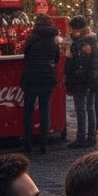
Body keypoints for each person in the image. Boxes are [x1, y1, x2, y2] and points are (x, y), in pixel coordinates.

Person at [20, 14, 60, 155]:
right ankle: (44, 144)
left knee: (28, 111)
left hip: (31, 77)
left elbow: (26, 55)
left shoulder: (32, 38)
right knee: (45, 111)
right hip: (47, 78)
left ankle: (28, 143)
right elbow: (56, 58)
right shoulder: (53, 41)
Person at [64, 16, 98, 149]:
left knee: (81, 109)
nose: (71, 32)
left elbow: (80, 64)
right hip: (92, 79)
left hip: (82, 81)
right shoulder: (92, 39)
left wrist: (70, 58)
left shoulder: (82, 43)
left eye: (72, 30)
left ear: (78, 30)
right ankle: (91, 137)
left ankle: (81, 137)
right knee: (90, 108)